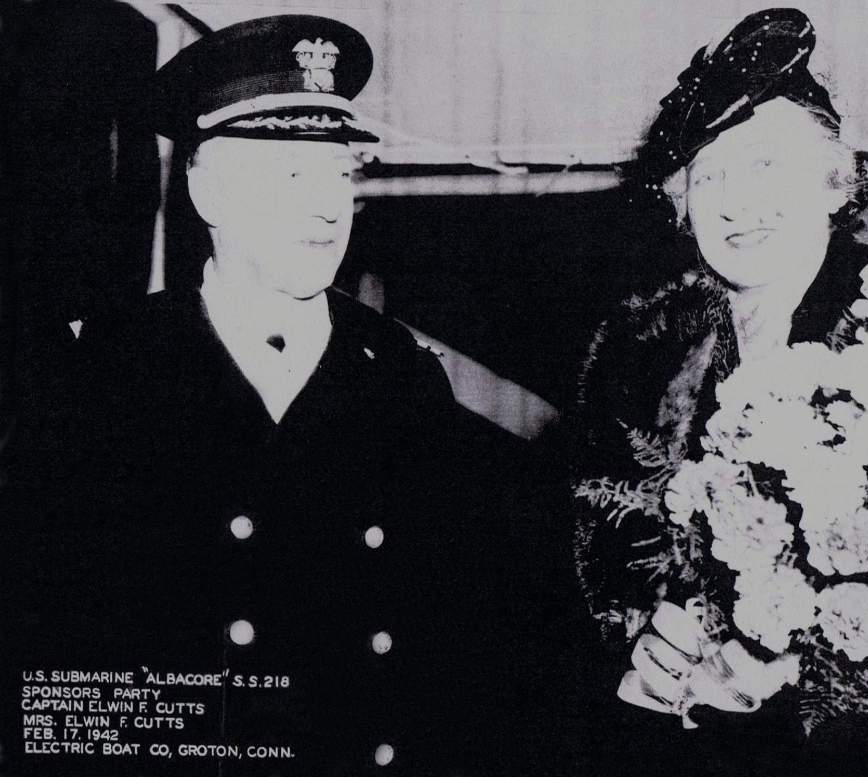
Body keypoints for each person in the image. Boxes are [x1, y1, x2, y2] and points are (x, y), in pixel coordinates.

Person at [1, 15, 504, 777]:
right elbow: (41, 656)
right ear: (207, 190)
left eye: (339, 174)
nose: (327, 206)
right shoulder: (98, 373)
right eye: (289, 176)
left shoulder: (399, 374)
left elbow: (460, 640)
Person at [569, 8, 868, 777]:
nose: (738, 201)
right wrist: (640, 649)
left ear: (835, 184)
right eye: (711, 175)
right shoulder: (636, 363)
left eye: (766, 162)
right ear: (681, 203)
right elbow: (585, 581)